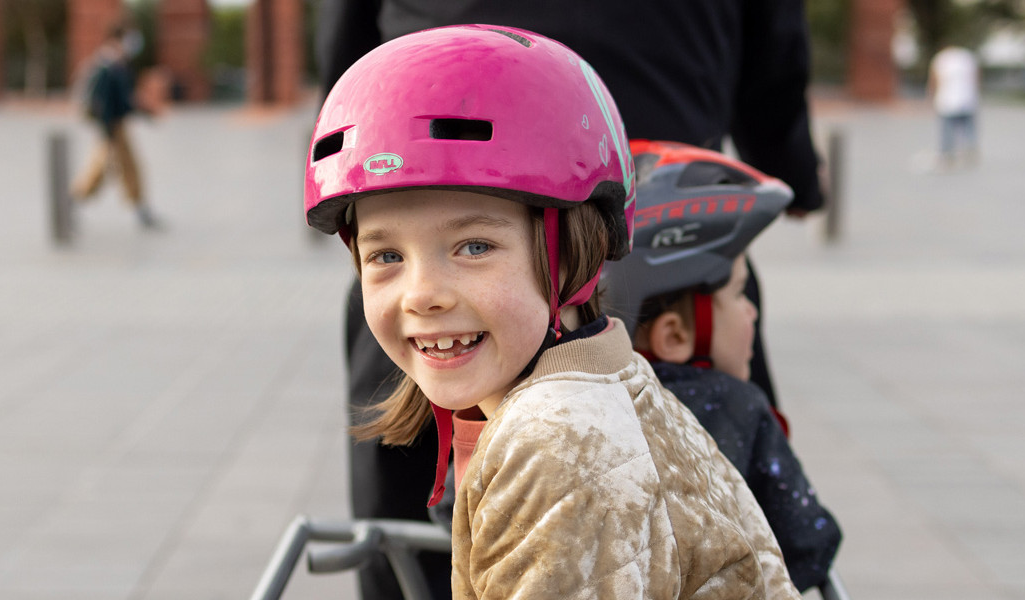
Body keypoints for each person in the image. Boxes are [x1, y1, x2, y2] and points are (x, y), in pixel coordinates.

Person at [317, 3, 824, 596]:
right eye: (385, 256)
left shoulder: (555, 452)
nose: (422, 294)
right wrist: (794, 166)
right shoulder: (623, 386)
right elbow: (774, 55)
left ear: (575, 254)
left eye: (475, 246)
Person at [602, 140, 844, 592]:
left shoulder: (579, 404)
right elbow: (807, 544)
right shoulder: (738, 406)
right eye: (737, 294)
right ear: (674, 336)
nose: (751, 311)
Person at [72, 23, 162, 230]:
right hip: (111, 127)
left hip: (116, 126)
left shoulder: (117, 65)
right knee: (102, 169)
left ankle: (140, 209)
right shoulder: (107, 66)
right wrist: (107, 131)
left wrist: (144, 111)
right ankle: (72, 202)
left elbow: (124, 100)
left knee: (122, 167)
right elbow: (104, 102)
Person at [928, 45, 981, 169]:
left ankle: (948, 155)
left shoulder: (941, 59)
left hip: (947, 100)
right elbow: (976, 78)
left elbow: (935, 80)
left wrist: (930, 96)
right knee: (968, 128)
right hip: (967, 99)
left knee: (947, 130)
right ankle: (969, 151)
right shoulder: (967, 57)